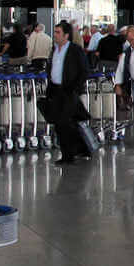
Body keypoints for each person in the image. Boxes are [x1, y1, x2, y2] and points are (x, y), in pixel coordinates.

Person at [44, 21, 91, 164]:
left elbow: (84, 70)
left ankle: (68, 155)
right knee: (60, 123)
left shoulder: (75, 50)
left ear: (66, 35)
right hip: (56, 91)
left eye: (58, 32)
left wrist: (75, 88)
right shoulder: (55, 50)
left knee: (65, 122)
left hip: (69, 91)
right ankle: (79, 149)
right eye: (55, 32)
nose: (55, 35)